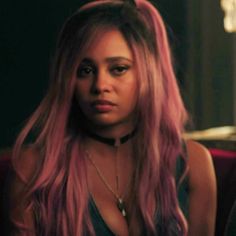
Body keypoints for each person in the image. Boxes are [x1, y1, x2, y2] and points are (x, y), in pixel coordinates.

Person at [5, 0, 217, 235]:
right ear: (68, 78)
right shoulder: (33, 170)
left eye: (118, 69)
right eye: (85, 70)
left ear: (147, 73)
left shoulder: (193, 166)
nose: (100, 85)